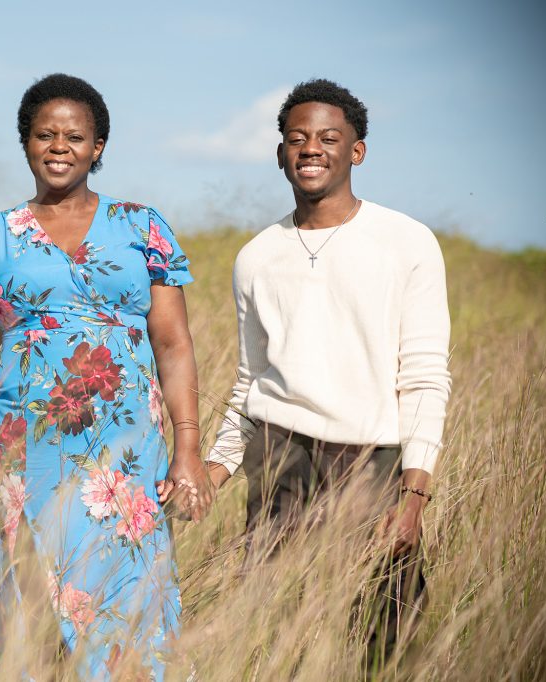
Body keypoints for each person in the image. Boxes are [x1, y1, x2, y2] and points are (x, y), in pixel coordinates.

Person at [0, 73, 210, 679]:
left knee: (128, 600)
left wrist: (188, 448)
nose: (59, 146)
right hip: (20, 453)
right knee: (23, 605)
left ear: (98, 147)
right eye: (45, 134)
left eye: (75, 136)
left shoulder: (143, 227)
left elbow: (173, 345)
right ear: (26, 143)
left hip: (124, 455)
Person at [205, 79, 451, 662]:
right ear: (281, 154)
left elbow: (423, 375)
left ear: (356, 151)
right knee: (273, 628)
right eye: (297, 138)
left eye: (328, 137)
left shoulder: (406, 241)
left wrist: (413, 492)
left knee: (386, 635)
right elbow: (252, 377)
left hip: (372, 460)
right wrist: (215, 468)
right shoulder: (257, 256)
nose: (310, 148)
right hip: (280, 455)